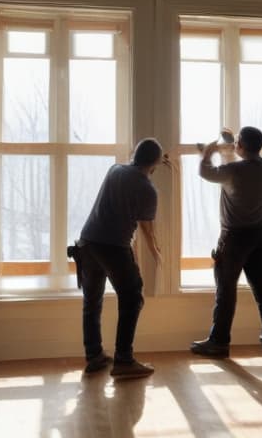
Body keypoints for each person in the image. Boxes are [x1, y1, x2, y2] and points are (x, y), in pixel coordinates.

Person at [71, 138, 164, 379]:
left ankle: (94, 356)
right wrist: (155, 251)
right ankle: (124, 360)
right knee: (133, 298)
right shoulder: (148, 189)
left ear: (135, 153)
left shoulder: (115, 170)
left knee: (92, 302)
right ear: (155, 165)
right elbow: (147, 229)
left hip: (87, 242)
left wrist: (154, 158)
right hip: (113, 247)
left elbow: (135, 164)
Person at [190, 126, 262, 358]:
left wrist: (208, 152)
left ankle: (219, 341)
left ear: (241, 146)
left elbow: (206, 173)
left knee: (226, 289)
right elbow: (240, 171)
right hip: (259, 236)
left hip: (233, 237)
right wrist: (231, 149)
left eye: (237, 143)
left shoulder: (233, 170)